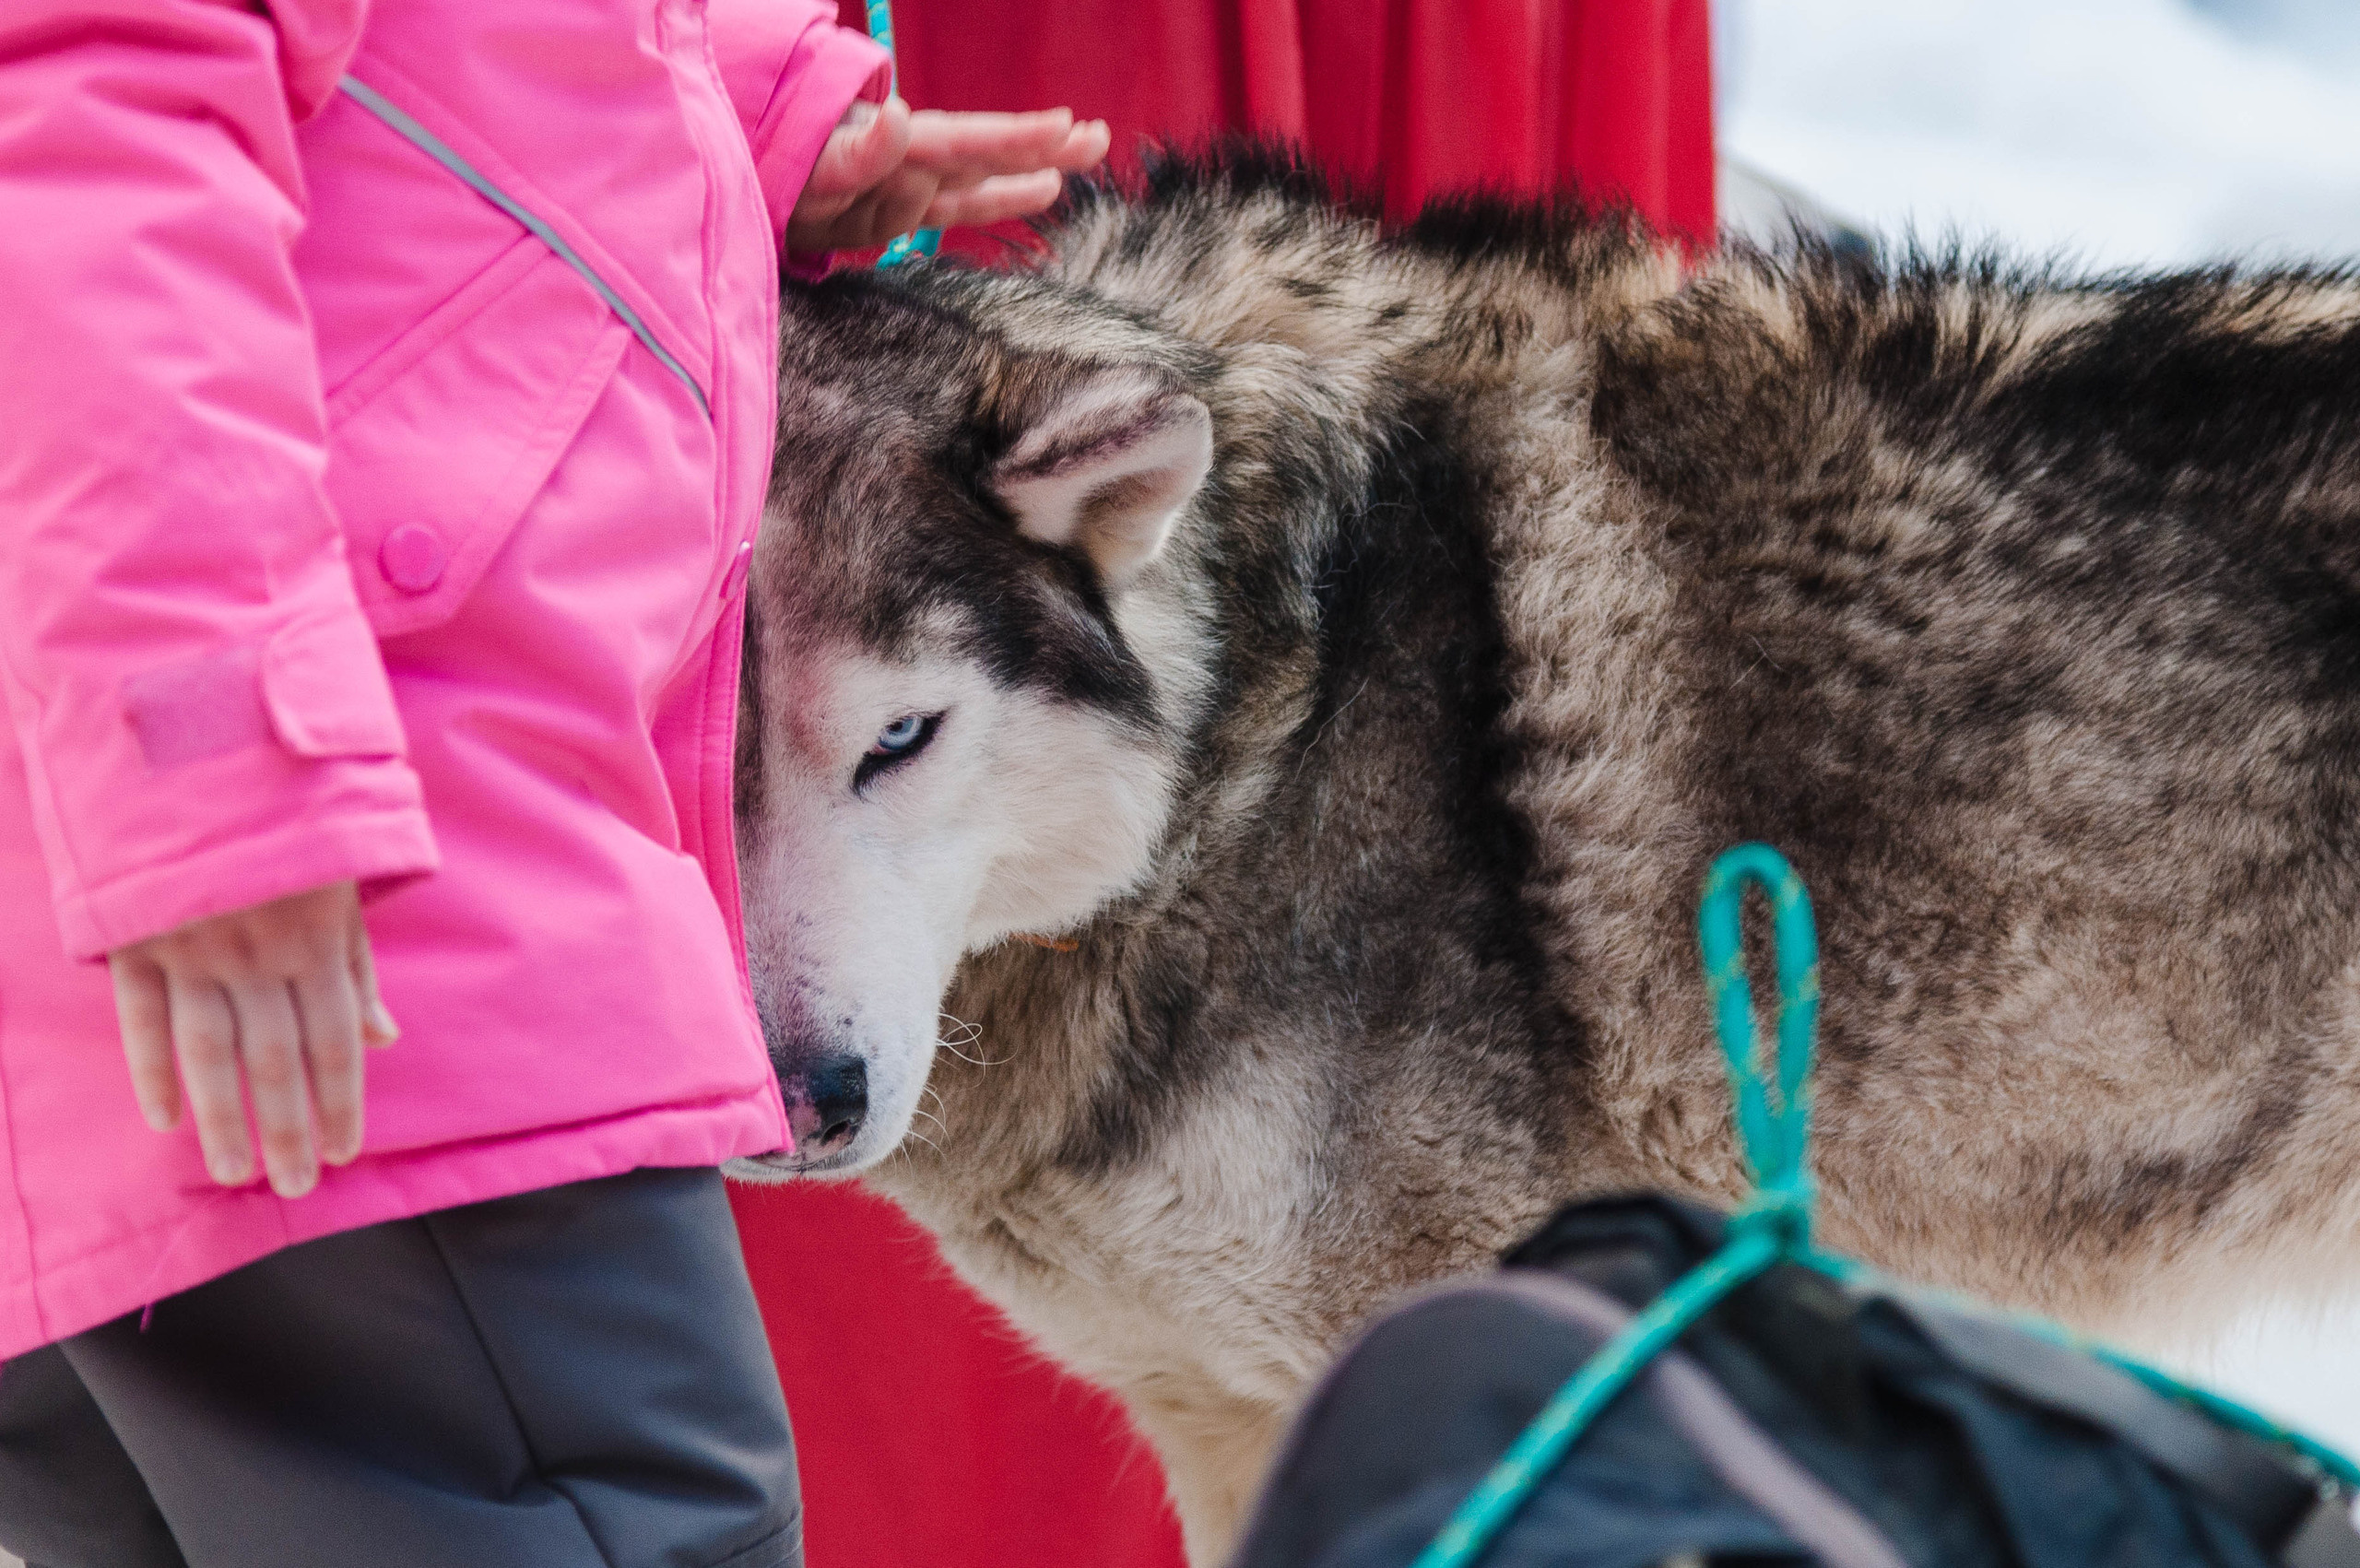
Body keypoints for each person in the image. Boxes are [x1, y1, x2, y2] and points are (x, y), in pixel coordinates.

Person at [0, 2, 1105, 1563]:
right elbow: (90, 116)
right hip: (363, 890)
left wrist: (739, 122)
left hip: (234, 873)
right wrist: (226, 762)